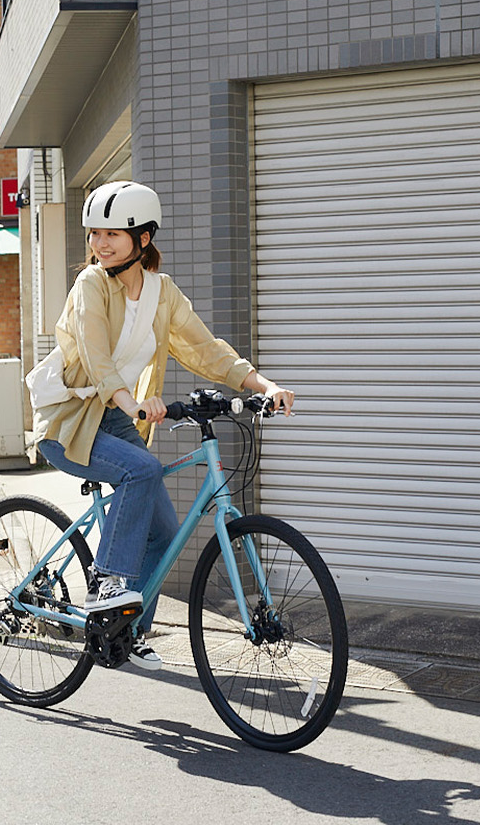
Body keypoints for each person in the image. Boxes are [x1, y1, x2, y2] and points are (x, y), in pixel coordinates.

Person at [31, 180, 295, 671]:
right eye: (95, 234)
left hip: (117, 418)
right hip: (70, 422)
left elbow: (204, 348)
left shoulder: (161, 293)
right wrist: (132, 402)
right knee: (142, 472)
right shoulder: (90, 284)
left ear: (143, 238)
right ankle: (108, 584)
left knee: (164, 533)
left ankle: (127, 631)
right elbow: (95, 354)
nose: (100, 244)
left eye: (112, 234)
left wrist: (262, 384)